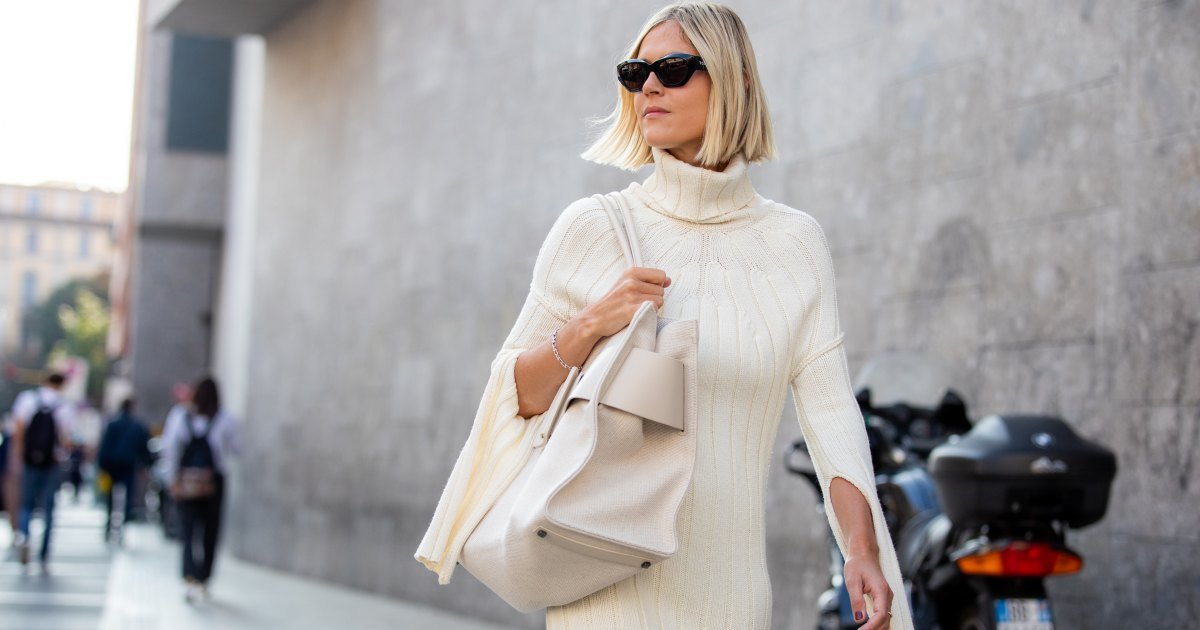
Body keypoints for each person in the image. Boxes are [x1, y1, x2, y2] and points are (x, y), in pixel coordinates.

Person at [416, 4, 915, 629]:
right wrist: (590, 325)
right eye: (634, 72)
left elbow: (832, 415)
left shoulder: (795, 243)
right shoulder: (594, 228)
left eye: (673, 68)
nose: (649, 85)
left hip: (731, 596)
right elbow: (512, 395)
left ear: (729, 80)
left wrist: (861, 552)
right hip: (604, 591)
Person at [161, 377, 240, 603]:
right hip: (213, 483)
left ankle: (189, 577)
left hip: (185, 482)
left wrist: (172, 481)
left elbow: (170, 450)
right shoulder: (225, 419)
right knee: (209, 532)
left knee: (187, 532)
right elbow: (237, 449)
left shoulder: (180, 416)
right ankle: (204, 578)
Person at [10, 373, 73, 572]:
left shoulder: (28, 399)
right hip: (52, 463)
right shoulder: (64, 406)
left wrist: (19, 458)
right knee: (48, 508)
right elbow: (66, 440)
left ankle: (25, 538)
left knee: (26, 504)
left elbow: (18, 431)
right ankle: (44, 553)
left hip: (30, 461)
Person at [97, 397, 151, 542]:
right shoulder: (137, 425)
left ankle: (109, 524)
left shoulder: (113, 424)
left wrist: (102, 464)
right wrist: (146, 464)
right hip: (128, 465)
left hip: (111, 465)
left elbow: (105, 445)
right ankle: (123, 525)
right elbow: (143, 447)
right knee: (128, 496)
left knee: (110, 497)